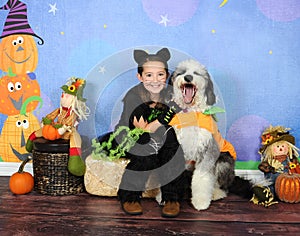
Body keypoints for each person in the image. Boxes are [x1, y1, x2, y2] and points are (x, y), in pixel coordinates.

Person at [98, 48, 186, 218]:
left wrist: (161, 123)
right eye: (149, 75)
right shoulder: (133, 96)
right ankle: (130, 196)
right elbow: (143, 128)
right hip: (130, 134)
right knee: (145, 145)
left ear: (167, 76)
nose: (155, 80)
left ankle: (171, 197)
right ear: (140, 77)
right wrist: (163, 119)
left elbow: (179, 108)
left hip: (157, 134)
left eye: (160, 75)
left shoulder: (169, 94)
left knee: (172, 141)